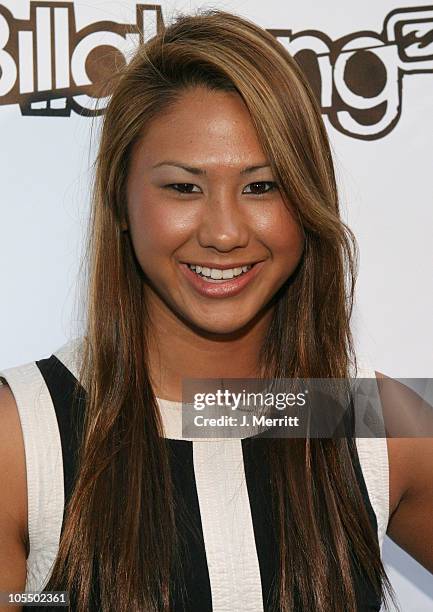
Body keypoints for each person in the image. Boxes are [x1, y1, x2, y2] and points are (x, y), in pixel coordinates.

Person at [0, 9, 432, 612]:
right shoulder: (21, 435)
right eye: (183, 187)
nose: (225, 233)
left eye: (262, 186)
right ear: (119, 201)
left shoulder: (373, 421)